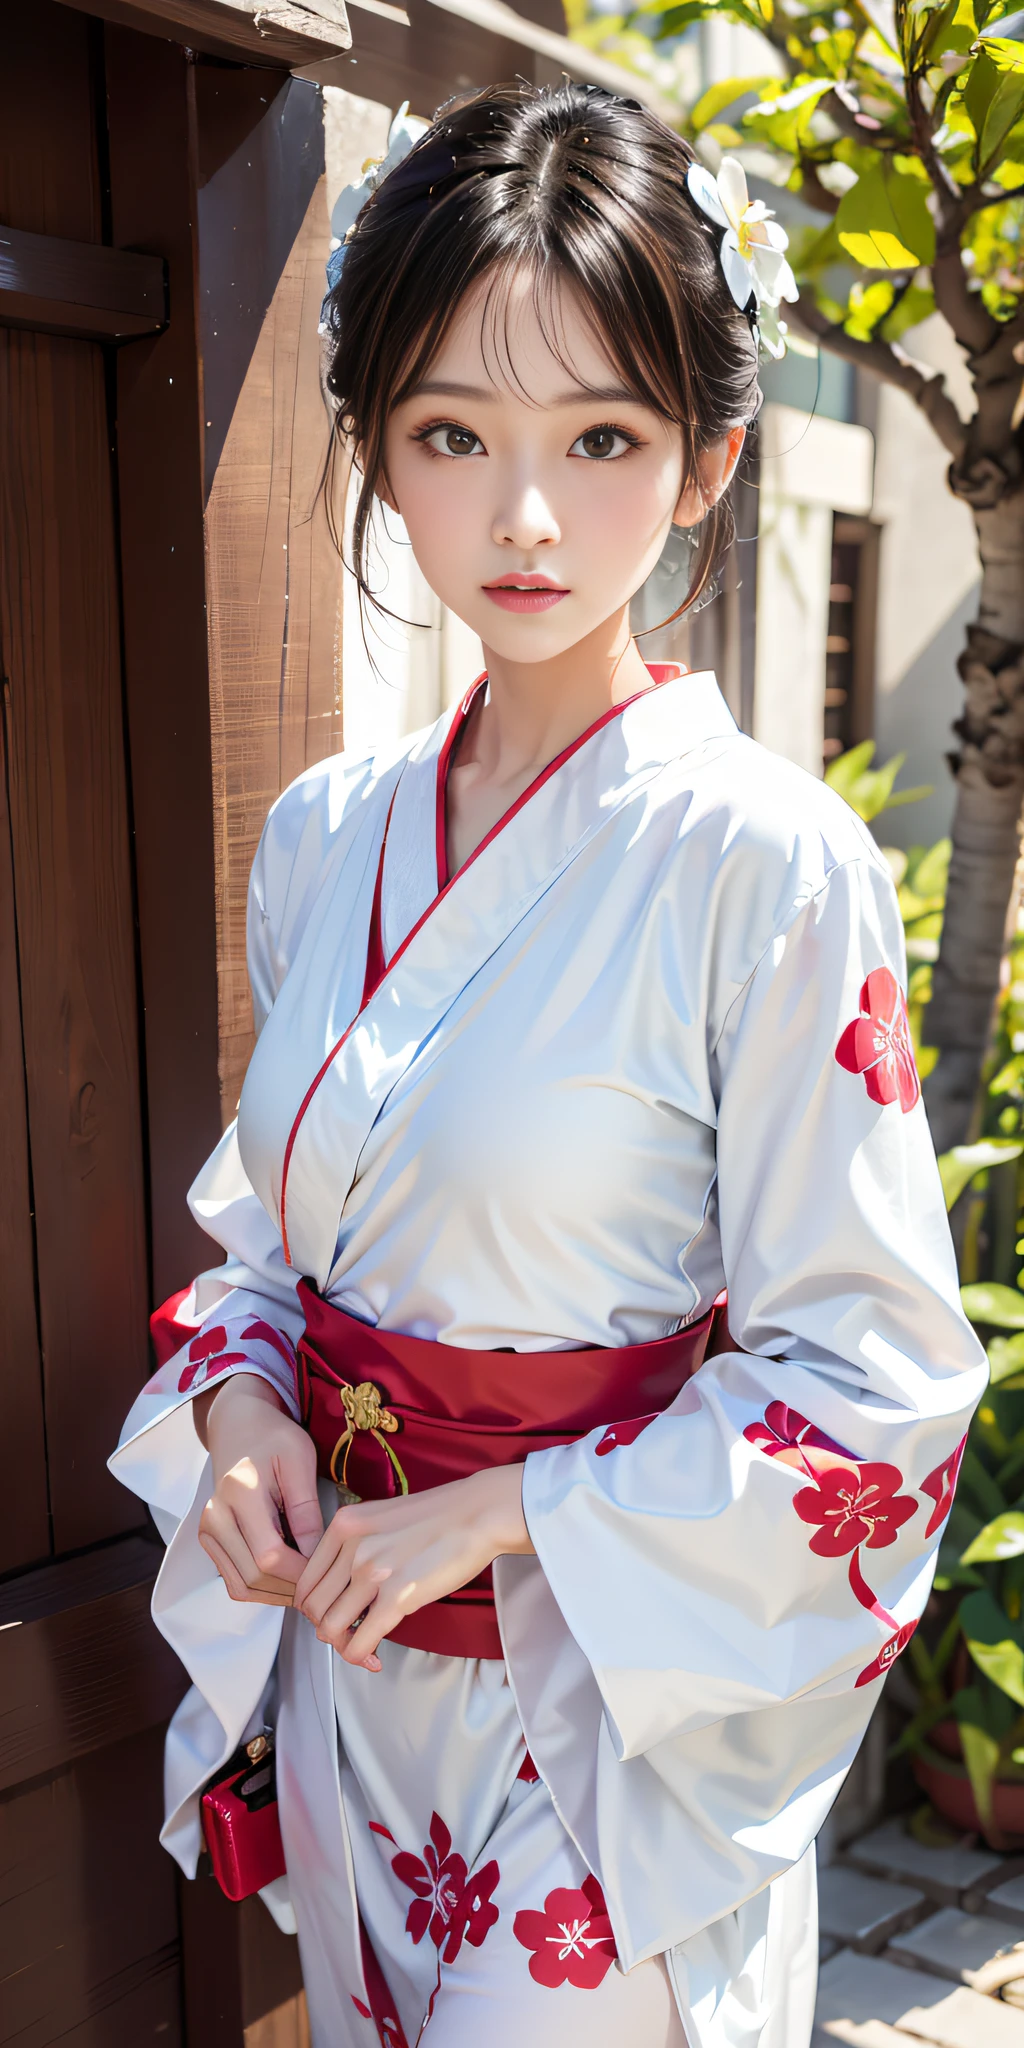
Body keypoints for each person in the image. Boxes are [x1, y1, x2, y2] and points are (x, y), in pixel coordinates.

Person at [111, 81, 985, 2048]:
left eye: (599, 436)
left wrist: (501, 1510)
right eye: (451, 435)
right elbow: (270, 1253)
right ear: (377, 450)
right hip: (349, 1684)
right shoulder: (325, 836)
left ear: (701, 461)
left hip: (596, 1711)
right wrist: (248, 1423)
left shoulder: (763, 861)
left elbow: (870, 1381)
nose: (519, 515)